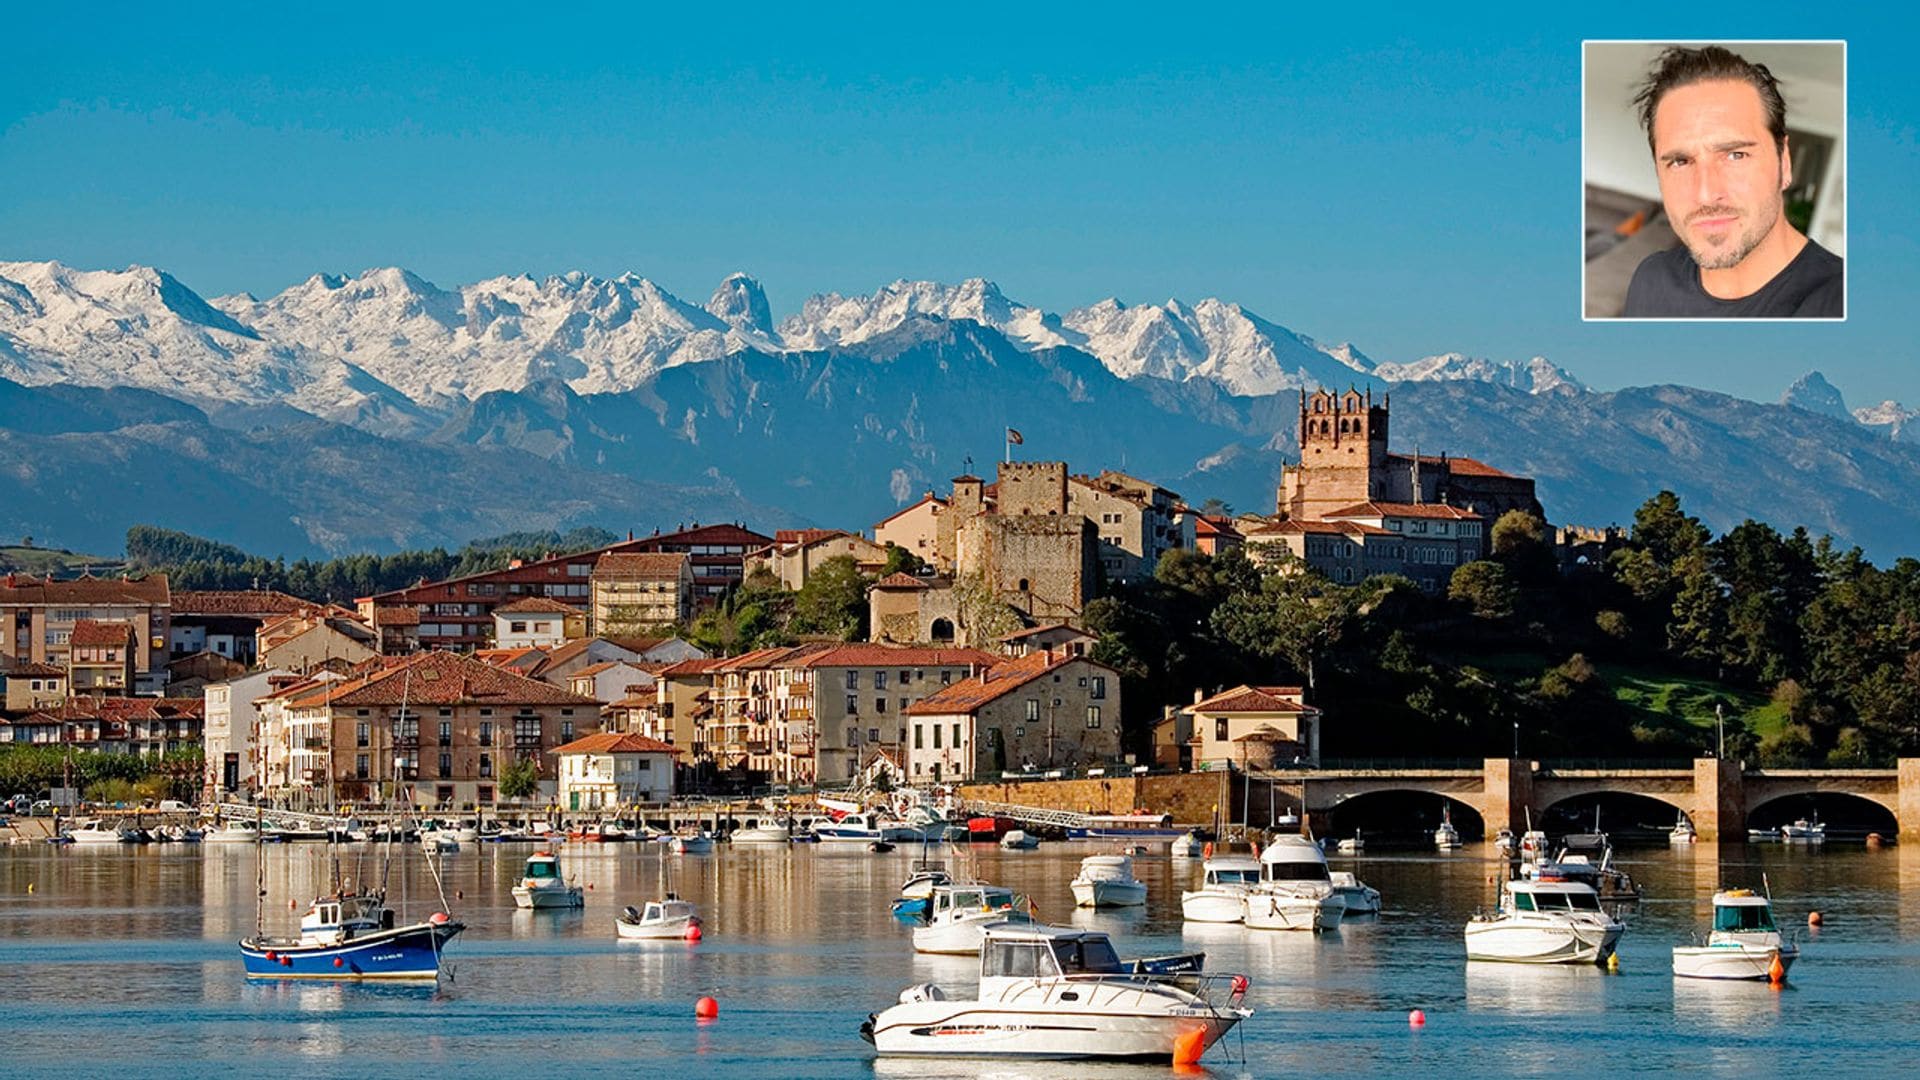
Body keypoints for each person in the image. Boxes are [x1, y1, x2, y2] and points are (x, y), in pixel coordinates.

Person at [1622, 45, 1842, 318]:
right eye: (1680, 161)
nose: (1705, 194)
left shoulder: (1842, 303)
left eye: (1736, 155)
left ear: (1784, 162)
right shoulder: (1650, 280)